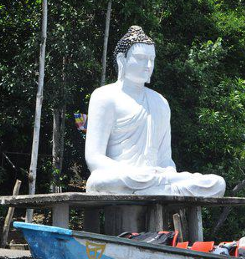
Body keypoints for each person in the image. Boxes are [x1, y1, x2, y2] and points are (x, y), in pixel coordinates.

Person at [85, 26, 226, 196]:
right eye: (142, 58)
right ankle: (157, 189)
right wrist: (136, 173)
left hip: (156, 178)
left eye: (152, 59)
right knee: (99, 181)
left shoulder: (160, 102)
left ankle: (156, 189)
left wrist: (165, 173)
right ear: (122, 59)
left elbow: (165, 160)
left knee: (217, 183)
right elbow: (94, 158)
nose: (148, 65)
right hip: (123, 177)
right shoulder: (105, 97)